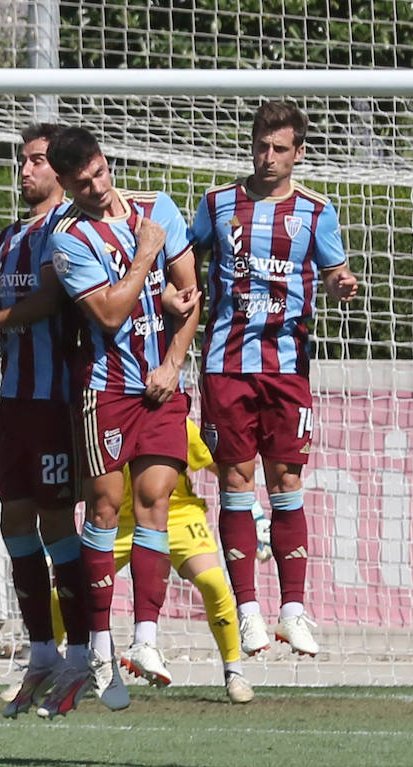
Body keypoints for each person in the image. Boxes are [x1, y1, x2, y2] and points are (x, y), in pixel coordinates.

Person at [36, 126, 203, 716]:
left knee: (156, 497)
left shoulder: (159, 208)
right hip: (106, 392)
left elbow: (190, 293)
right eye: (82, 183)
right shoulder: (70, 238)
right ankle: (99, 646)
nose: (97, 187)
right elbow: (107, 313)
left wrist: (174, 361)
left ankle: (147, 641)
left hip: (160, 385)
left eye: (101, 172)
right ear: (66, 185)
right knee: (104, 509)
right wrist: (145, 255)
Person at [189, 100, 359, 658]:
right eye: (261, 146)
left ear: (297, 153)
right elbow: (184, 259)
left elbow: (335, 272)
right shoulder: (216, 204)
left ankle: (292, 612)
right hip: (225, 364)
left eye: (279, 149)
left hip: (287, 369)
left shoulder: (316, 212)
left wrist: (341, 285)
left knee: (286, 485)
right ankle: (248, 612)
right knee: (236, 484)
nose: (267, 157)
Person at [0, 124, 90, 718]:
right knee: (15, 518)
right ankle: (41, 647)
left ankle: (83, 651)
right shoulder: (12, 236)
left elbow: (48, 302)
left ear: (59, 172)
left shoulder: (68, 229)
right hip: (11, 401)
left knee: (58, 522)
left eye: (36, 161)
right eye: (22, 161)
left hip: (54, 401)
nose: (24, 171)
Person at [25, 418, 254, 704]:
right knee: (65, 593)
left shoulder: (176, 423)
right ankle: (45, 666)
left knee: (213, 582)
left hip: (180, 517)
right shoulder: (99, 421)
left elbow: (222, 466)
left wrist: (254, 510)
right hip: (119, 524)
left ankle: (234, 671)